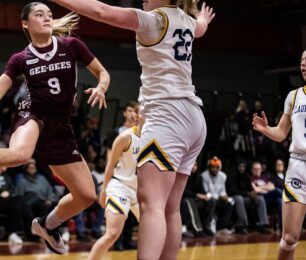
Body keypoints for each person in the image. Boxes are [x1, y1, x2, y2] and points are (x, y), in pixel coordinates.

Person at [0, 2, 110, 254]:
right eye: (39, 14)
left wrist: (101, 87)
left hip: (61, 126)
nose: (47, 17)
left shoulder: (71, 46)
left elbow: (103, 73)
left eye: (49, 14)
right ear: (25, 23)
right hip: (33, 114)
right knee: (20, 154)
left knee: (87, 195)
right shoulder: (20, 59)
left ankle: (47, 224)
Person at [50, 0, 214, 258]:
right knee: (171, 207)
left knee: (152, 205)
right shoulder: (187, 21)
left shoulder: (155, 20)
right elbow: (202, 27)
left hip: (166, 116)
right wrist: (203, 18)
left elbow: (100, 11)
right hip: (194, 117)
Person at [252, 50, 306, 260]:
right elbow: (282, 133)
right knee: (290, 238)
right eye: (302, 61)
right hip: (298, 167)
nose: (303, 65)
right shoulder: (293, 96)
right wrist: (266, 129)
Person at [88, 104, 142, 260]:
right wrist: (104, 191)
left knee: (154, 232)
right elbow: (110, 164)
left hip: (139, 191)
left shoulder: (154, 138)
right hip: (121, 187)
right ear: (137, 116)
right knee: (112, 234)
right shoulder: (125, 137)